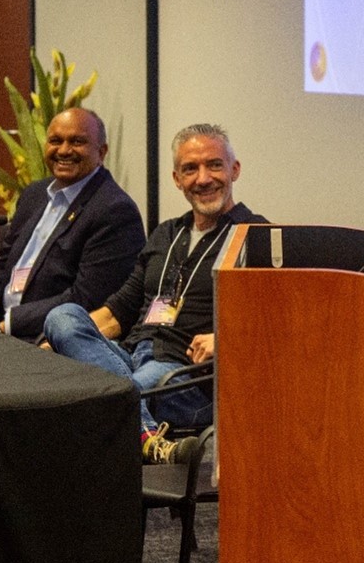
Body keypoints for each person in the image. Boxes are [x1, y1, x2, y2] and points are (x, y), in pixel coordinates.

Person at [44, 123, 268, 463]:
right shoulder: (166, 233)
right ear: (177, 179)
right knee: (61, 317)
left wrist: (225, 336)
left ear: (234, 170)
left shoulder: (256, 235)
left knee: (100, 395)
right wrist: (58, 342)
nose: (203, 178)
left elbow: (277, 323)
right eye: (190, 169)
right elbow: (117, 312)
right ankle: (146, 435)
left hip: (187, 377)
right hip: (131, 356)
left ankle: (142, 433)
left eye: (215, 165)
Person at [0, 108, 144, 341]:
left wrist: (3, 326)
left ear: (102, 151)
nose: (64, 150)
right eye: (55, 141)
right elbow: (1, 266)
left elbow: (84, 299)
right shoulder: (34, 195)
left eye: (77, 142)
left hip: (46, 341)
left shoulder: (114, 211)